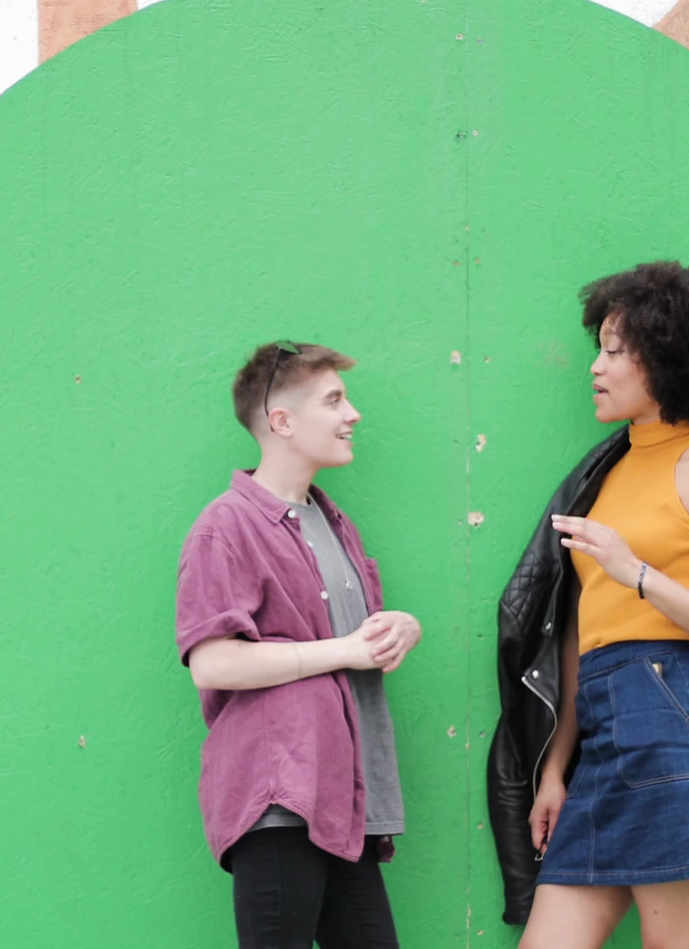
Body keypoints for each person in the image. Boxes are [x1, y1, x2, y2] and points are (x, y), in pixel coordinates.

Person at [487, 261, 689, 948]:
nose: (596, 366)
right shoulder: (607, 471)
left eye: (615, 351)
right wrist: (556, 766)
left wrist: (637, 572)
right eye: (601, 348)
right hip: (603, 734)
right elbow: (581, 632)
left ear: (670, 359)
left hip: (679, 721)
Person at [176, 340, 423, 949]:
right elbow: (212, 661)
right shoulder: (226, 526)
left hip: (342, 797)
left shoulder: (332, 522)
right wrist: (344, 650)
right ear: (282, 421)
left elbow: (352, 640)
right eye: (334, 400)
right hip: (279, 798)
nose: (353, 414)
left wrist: (398, 628)